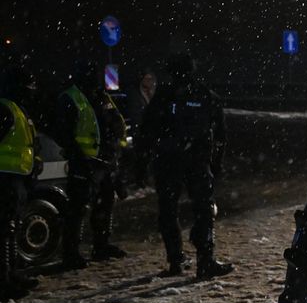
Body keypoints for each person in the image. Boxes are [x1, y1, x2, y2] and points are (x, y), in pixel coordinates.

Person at [139, 53, 233, 279]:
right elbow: (221, 134)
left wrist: (143, 161)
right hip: (196, 163)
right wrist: (216, 163)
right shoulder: (205, 95)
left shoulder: (164, 95)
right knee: (203, 210)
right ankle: (205, 260)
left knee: (169, 211)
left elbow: (147, 130)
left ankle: (176, 260)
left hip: (169, 162)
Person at [51, 59, 104, 270]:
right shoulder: (72, 98)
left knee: (84, 206)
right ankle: (70, 253)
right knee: (76, 209)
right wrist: (79, 157)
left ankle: (77, 251)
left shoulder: (85, 97)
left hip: (88, 161)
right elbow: (65, 132)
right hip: (79, 162)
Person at [0, 62, 42, 297]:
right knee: (4, 230)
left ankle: (12, 273)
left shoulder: (16, 108)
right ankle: (3, 280)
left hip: (15, 177)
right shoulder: (5, 108)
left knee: (11, 228)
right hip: (5, 178)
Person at [88, 84, 129, 260]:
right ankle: (78, 249)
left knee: (106, 201)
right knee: (89, 205)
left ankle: (102, 243)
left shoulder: (101, 97)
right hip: (93, 158)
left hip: (107, 156)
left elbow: (115, 122)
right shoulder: (83, 98)